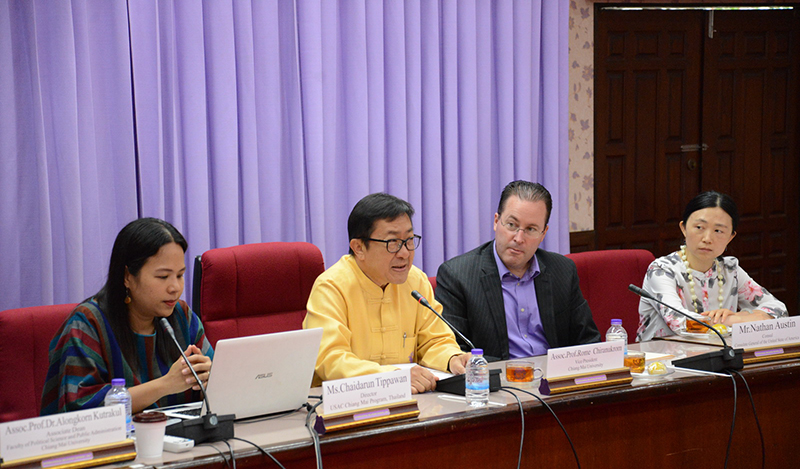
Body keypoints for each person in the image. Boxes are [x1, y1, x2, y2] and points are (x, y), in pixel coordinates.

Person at [41, 218, 213, 415]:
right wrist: (166, 384)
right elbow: (81, 408)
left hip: (181, 434)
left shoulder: (181, 316)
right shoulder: (89, 323)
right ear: (127, 276)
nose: (175, 287)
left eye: (180, 275)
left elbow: (218, 384)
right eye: (163, 277)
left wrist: (210, 380)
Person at [303, 193, 470, 393]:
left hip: (411, 401)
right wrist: (393, 377)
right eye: (393, 243)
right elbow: (331, 360)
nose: (405, 253)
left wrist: (452, 358)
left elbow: (435, 341)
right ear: (359, 248)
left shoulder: (415, 281)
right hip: (347, 402)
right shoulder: (331, 287)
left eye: (409, 240)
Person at [435, 181, 600, 360]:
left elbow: (588, 341)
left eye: (531, 229)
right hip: (497, 376)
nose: (519, 238)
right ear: (496, 222)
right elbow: (456, 353)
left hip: (554, 375)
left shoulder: (562, 270)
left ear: (543, 233)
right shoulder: (457, 275)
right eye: (512, 225)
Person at [637, 191, 787, 341]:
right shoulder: (661, 270)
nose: (707, 239)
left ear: (731, 237)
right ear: (683, 228)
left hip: (719, 352)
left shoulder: (730, 270)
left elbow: (779, 311)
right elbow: (679, 322)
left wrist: (741, 317)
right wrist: (736, 320)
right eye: (699, 227)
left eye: (718, 231)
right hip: (660, 354)